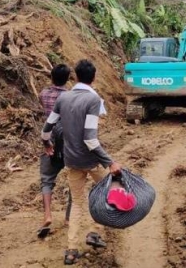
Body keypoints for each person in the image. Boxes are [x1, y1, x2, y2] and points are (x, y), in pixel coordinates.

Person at [41, 59, 122, 265]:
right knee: (107, 191)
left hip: (71, 160)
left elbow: (46, 128)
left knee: (77, 203)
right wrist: (110, 162)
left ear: (75, 77)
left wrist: (47, 145)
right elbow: (90, 139)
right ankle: (95, 232)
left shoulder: (64, 97)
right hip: (91, 160)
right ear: (94, 78)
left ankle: (71, 250)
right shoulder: (93, 100)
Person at [37, 64, 72, 239]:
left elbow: (46, 115)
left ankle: (48, 215)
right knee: (75, 179)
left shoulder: (43, 94)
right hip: (69, 144)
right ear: (68, 79)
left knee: (47, 180)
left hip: (49, 142)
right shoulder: (70, 97)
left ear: (51, 77)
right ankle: (68, 217)